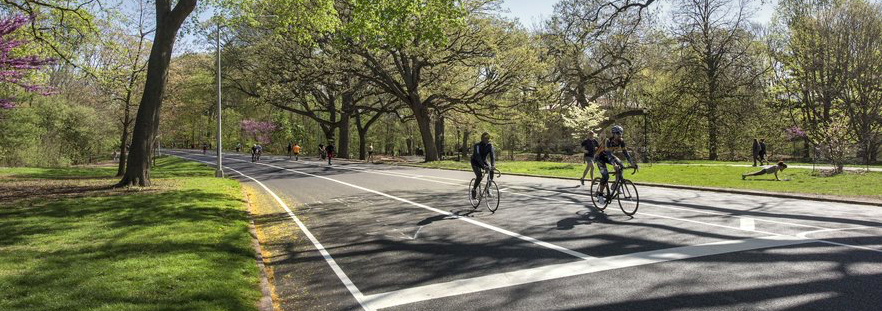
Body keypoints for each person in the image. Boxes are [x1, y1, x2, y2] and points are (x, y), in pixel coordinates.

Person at [594, 125, 637, 203]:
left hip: (609, 156)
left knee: (621, 165)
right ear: (613, 134)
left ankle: (615, 185)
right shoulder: (607, 140)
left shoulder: (621, 141)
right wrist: (613, 164)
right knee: (606, 176)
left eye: (621, 133)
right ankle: (600, 194)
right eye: (618, 133)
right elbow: (608, 154)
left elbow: (625, 153)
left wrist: (632, 163)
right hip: (600, 157)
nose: (620, 134)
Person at [470, 132, 496, 200]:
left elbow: (492, 156)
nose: (487, 139)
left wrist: (492, 165)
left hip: (484, 161)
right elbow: (478, 156)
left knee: (491, 171)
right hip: (475, 161)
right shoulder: (477, 145)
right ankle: (474, 189)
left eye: (488, 138)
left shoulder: (490, 146)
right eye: (486, 138)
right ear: (482, 139)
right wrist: (483, 166)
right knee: (479, 176)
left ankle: (488, 188)